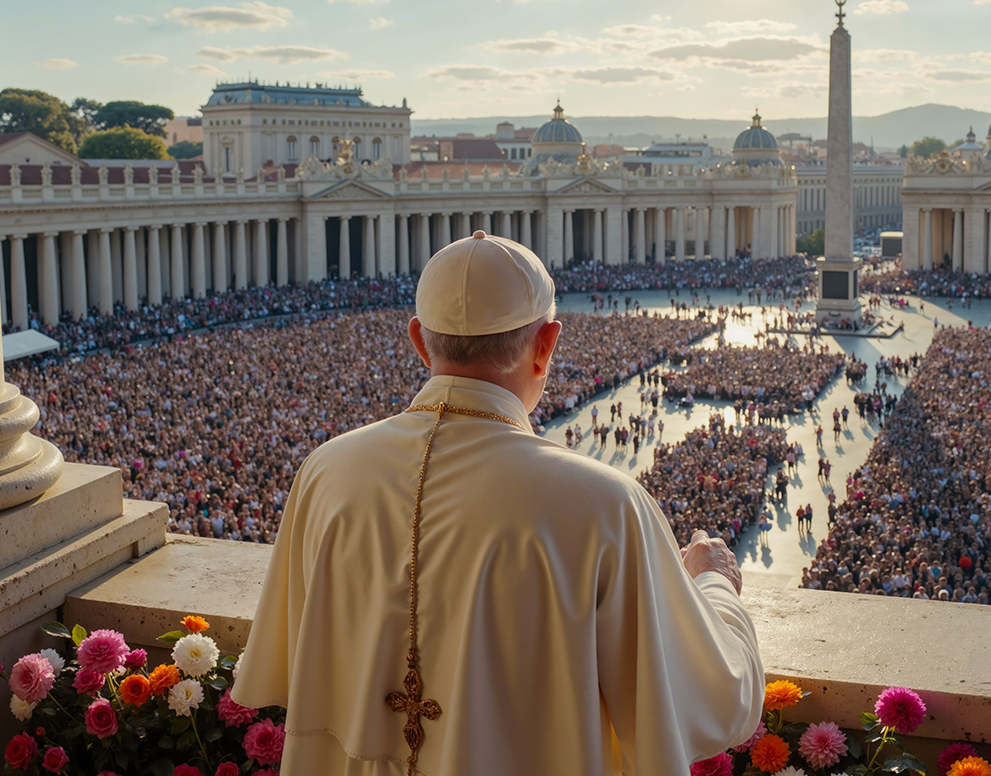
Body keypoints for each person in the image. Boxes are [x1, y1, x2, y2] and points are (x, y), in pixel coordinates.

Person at [233, 232, 764, 775]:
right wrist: (715, 583)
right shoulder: (605, 505)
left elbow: (290, 664)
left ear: (419, 340)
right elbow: (716, 697)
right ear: (546, 344)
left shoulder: (325, 471)